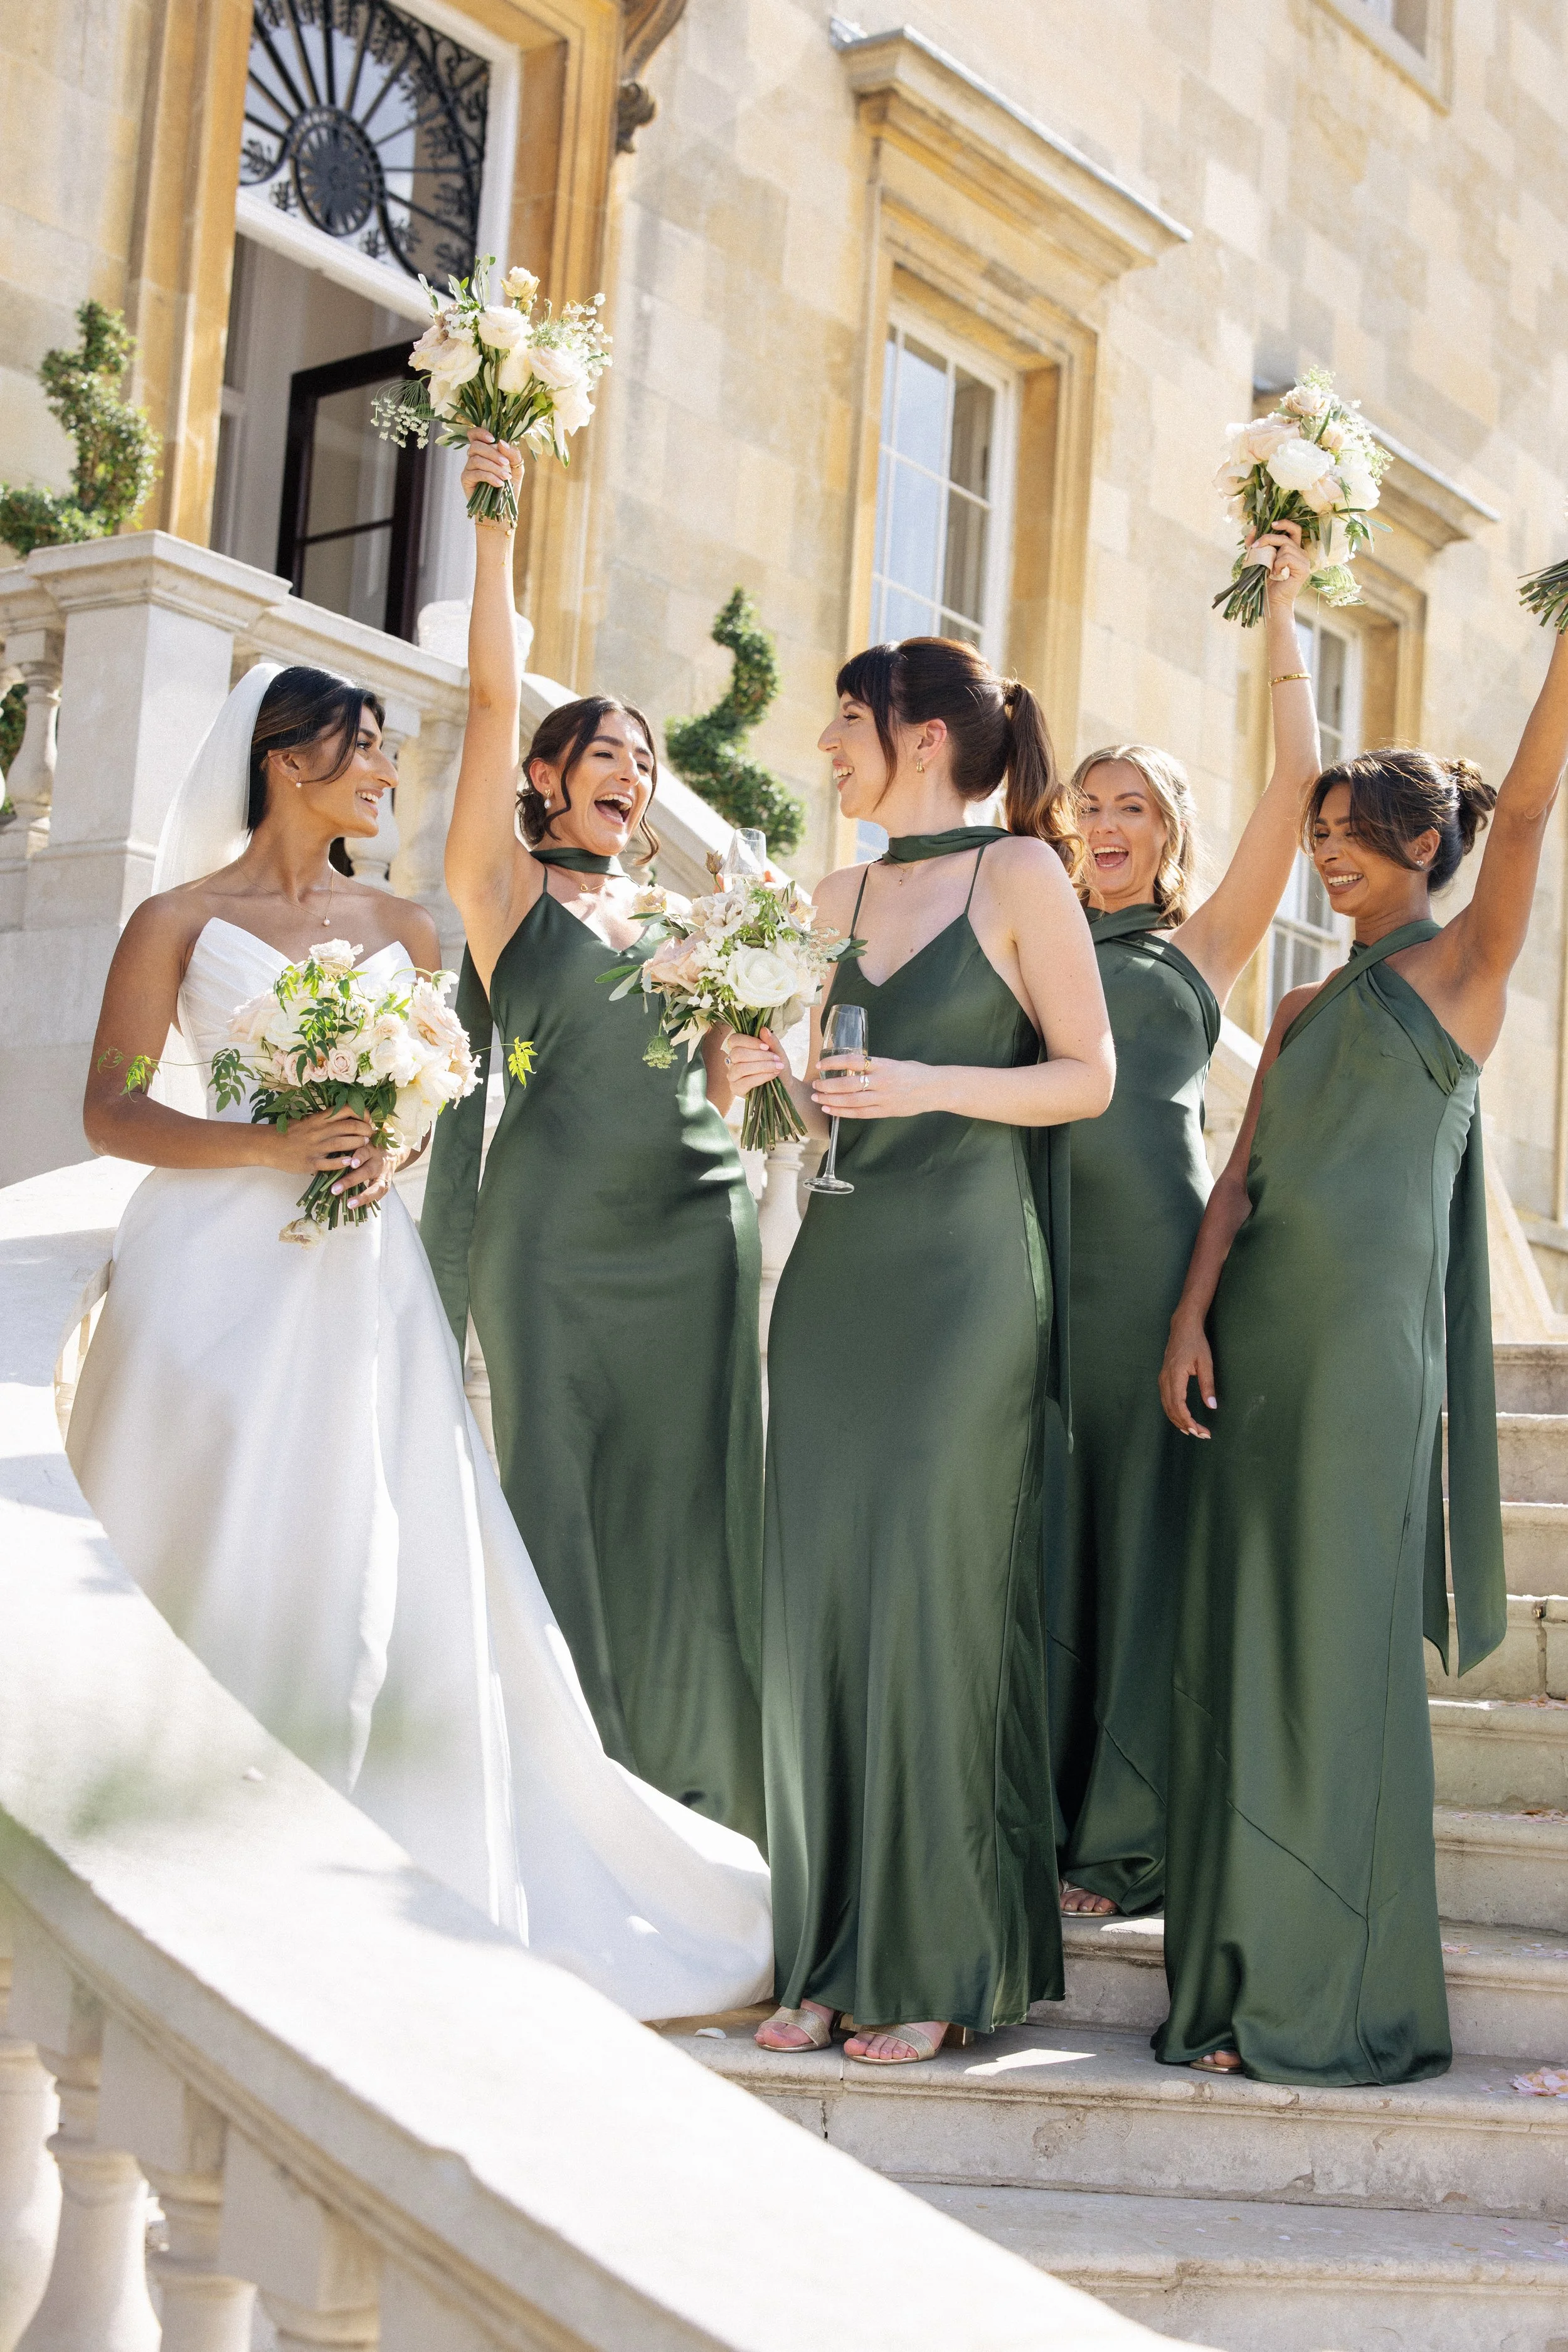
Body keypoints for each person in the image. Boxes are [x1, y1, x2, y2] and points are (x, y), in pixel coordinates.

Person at [66, 659, 771, 2025]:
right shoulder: (173, 921)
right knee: (199, 1528)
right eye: (366, 750)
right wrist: (264, 1142)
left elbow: (442, 1102)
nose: (388, 772)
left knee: (367, 1544)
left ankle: (337, 1836)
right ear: (288, 760)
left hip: (356, 1274)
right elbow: (111, 1107)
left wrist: (378, 1139)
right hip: (208, 1274)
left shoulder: (406, 926)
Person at [1155, 622, 1568, 2084]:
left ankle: (1325, 1996)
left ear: (1421, 848)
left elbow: (1524, 809)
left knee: (1331, 1651)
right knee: (1243, 1648)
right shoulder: (1301, 1004)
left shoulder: (1464, 971)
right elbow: (1237, 1180)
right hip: (1252, 1346)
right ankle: (1230, 1982)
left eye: (1353, 836)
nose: (1327, 856)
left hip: (1367, 1366)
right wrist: (1190, 1316)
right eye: (1318, 832)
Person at [726, 635, 1115, 2064]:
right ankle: (824, 1947)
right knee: (822, 1598)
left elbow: (1088, 1077)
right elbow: (802, 1102)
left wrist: (928, 1083)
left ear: (923, 736)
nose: (825, 745)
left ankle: (931, 1952)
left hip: (961, 1285)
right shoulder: (831, 894)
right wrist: (762, 1075)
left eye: (845, 721)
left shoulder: (1018, 875)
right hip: (834, 1274)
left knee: (928, 1602)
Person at [419, 432, 766, 1849]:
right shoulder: (500, 893)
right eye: (606, 754)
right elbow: (492, 695)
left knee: (685, 1509)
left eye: (646, 758)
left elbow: (708, 1091)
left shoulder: (689, 931)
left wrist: (738, 1075)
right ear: (551, 782)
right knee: (552, 1487)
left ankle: (682, 1801)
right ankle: (557, 1803)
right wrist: (497, 527)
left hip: (694, 1230)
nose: (631, 771)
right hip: (554, 1236)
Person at [1051, 521, 1320, 1920]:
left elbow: (1295, 781)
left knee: (1142, 1544)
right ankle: (1028, 1806)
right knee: (1044, 1541)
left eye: (1132, 809)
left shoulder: (1197, 947)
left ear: (1168, 835)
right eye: (1087, 806)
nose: (1103, 828)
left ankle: (1123, 1836)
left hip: (1154, 1273)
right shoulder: (1023, 933)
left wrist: (1279, 610)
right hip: (1032, 1271)